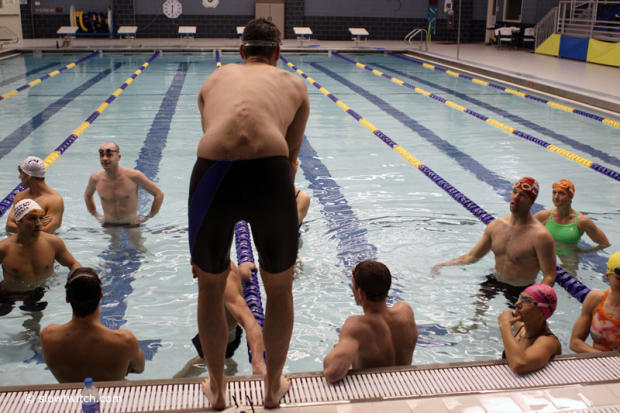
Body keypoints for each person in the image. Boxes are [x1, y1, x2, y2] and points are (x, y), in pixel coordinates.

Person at [189, 18, 309, 409]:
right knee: (280, 287)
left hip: (213, 173)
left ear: (241, 51)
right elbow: (291, 159)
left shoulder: (215, 79)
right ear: (278, 54)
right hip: (269, 172)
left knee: (210, 288)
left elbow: (214, 136)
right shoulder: (294, 85)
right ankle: (272, 388)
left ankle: (218, 391)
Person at [432, 177, 556, 307]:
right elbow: (472, 257)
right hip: (495, 279)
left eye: (522, 195)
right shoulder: (496, 226)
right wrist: (444, 265)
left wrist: (534, 298)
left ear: (531, 201)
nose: (516, 197)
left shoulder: (540, 236)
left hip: (521, 289)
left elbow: (549, 276)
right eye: (514, 192)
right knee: (476, 311)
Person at [41, 267, 145, 382]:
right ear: (101, 294)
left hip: (69, 393)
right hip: (112, 392)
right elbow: (139, 368)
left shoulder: (48, 336)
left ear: (67, 298)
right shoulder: (125, 341)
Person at [323, 260, 418, 383]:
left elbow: (332, 373)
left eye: (353, 286)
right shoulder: (405, 311)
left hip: (375, 388)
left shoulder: (357, 326)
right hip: (407, 384)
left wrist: (338, 351)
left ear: (360, 293)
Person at [189, 261, 267, 376]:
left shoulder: (223, 281)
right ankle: (230, 367)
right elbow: (234, 279)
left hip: (219, 340)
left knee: (201, 363)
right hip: (226, 334)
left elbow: (250, 322)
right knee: (208, 362)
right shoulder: (227, 266)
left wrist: (258, 363)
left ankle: (179, 379)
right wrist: (243, 270)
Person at [0, 199, 80, 296]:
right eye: (32, 219)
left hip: (42, 291)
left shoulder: (53, 243)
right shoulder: (3, 248)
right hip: (10, 293)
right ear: (18, 221)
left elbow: (73, 264)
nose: (38, 224)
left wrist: (77, 280)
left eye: (40, 218)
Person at [534, 179, 610, 273]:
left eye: (561, 193)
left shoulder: (582, 221)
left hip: (568, 257)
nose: (556, 197)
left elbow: (604, 243)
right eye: (554, 192)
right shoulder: (544, 215)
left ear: (570, 197)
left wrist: (584, 252)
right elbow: (523, 230)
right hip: (545, 254)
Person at [84, 142, 164, 227]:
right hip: (109, 225)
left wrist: (149, 216)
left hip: (132, 226)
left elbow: (159, 194)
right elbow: (88, 195)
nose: (104, 159)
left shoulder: (134, 176)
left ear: (118, 157)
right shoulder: (95, 179)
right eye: (101, 155)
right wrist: (95, 214)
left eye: (109, 155)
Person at [498, 284, 561, 374]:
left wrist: (505, 325)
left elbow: (519, 365)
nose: (517, 304)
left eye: (527, 301)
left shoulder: (549, 342)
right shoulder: (521, 328)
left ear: (542, 311)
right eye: (520, 298)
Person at [570, 251, 620, 353]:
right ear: (607, 276)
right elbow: (575, 342)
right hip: (597, 360)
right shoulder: (595, 299)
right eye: (619, 278)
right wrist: (604, 358)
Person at [6, 156, 64, 234]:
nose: (19, 177)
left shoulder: (54, 200)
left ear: (28, 176)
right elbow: (9, 227)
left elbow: (46, 232)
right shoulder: (20, 196)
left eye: (21, 174)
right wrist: (36, 225)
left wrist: (23, 224)